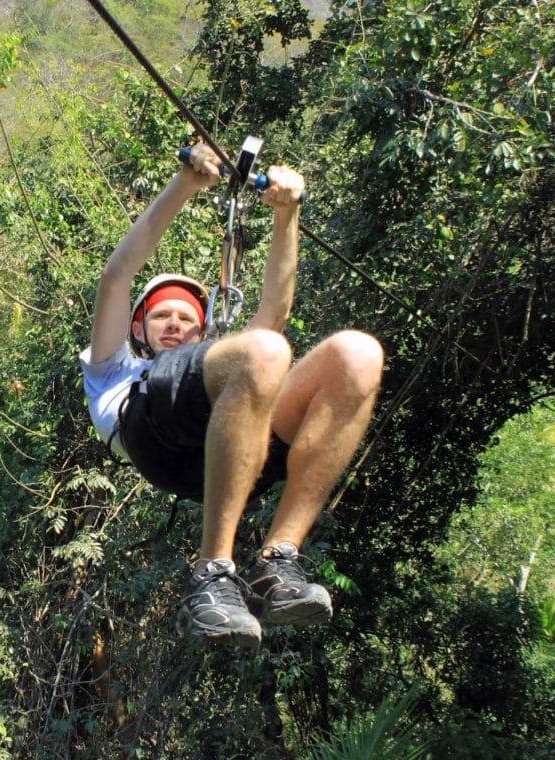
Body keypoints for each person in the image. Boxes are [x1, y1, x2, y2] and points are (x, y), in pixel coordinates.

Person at [79, 143, 384, 647]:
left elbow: (274, 316)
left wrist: (288, 214)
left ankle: (279, 561)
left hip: (232, 460)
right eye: (161, 316)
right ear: (138, 326)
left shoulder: (229, 365)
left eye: (186, 319)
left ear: (202, 334)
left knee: (357, 355)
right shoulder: (114, 366)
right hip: (154, 435)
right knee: (262, 351)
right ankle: (213, 574)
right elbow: (117, 274)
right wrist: (185, 184)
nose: (175, 324)